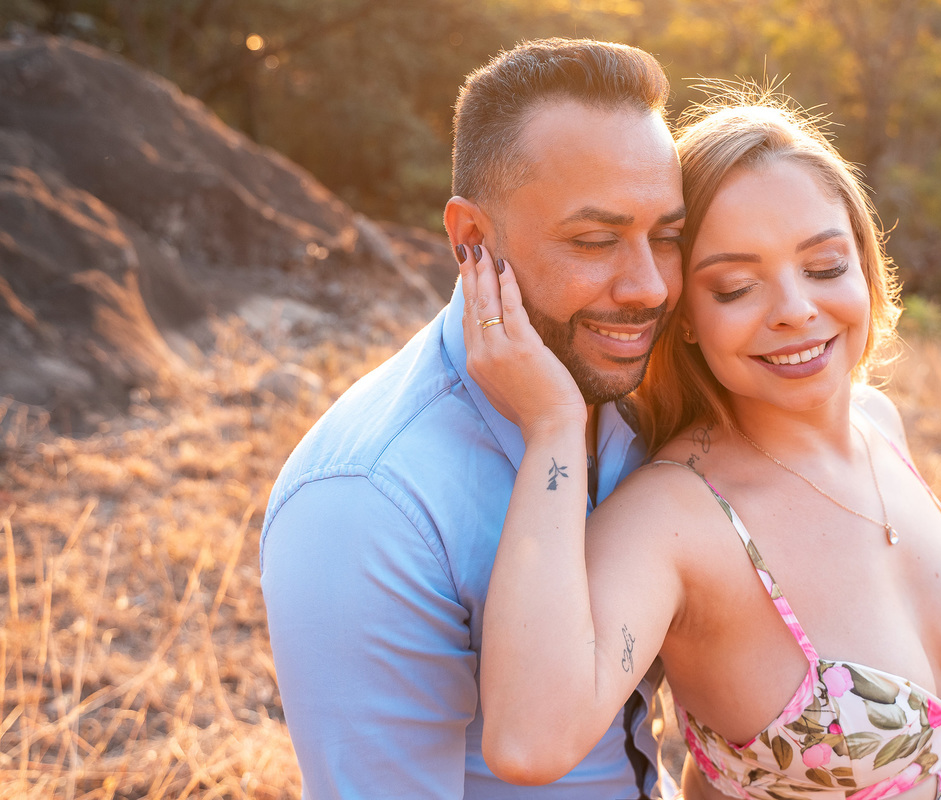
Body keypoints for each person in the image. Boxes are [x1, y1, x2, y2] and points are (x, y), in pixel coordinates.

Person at [461, 97, 941, 800]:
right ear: (689, 318)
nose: (794, 308)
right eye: (735, 287)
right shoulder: (677, 518)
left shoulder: (878, 424)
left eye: (825, 266)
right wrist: (554, 424)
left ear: (865, 264)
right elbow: (527, 743)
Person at [259, 38, 687, 799]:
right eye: (595, 241)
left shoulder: (645, 395)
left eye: (667, 236)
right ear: (472, 240)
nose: (649, 286)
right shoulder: (366, 502)